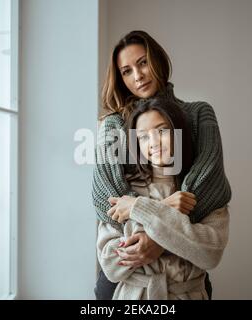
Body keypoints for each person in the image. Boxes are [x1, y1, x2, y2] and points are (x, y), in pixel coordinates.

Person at [92, 30, 231, 299]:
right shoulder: (114, 126)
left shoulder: (199, 114)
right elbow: (109, 201)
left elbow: (206, 184)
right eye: (126, 71)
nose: (138, 75)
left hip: (184, 270)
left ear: (158, 60)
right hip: (129, 277)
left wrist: (156, 239)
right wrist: (164, 208)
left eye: (143, 62)